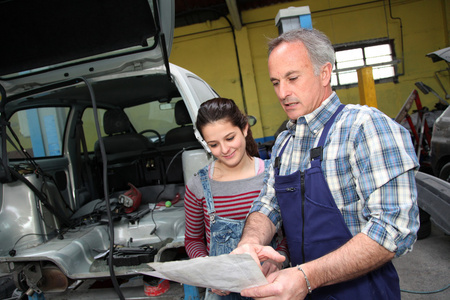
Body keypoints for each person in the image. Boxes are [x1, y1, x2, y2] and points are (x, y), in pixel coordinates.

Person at [232, 28, 420, 299]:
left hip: (364, 292)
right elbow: (268, 204)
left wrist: (307, 277)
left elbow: (394, 228)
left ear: (324, 73)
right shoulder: (285, 142)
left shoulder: (365, 128)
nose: (283, 92)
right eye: (275, 82)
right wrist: (251, 244)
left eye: (292, 78)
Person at [184, 97, 288, 299]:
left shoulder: (272, 176)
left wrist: (277, 260)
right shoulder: (198, 185)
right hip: (220, 293)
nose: (224, 150)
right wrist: (209, 271)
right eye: (213, 144)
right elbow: (192, 240)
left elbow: (289, 234)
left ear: (245, 128)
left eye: (230, 138)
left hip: (271, 287)